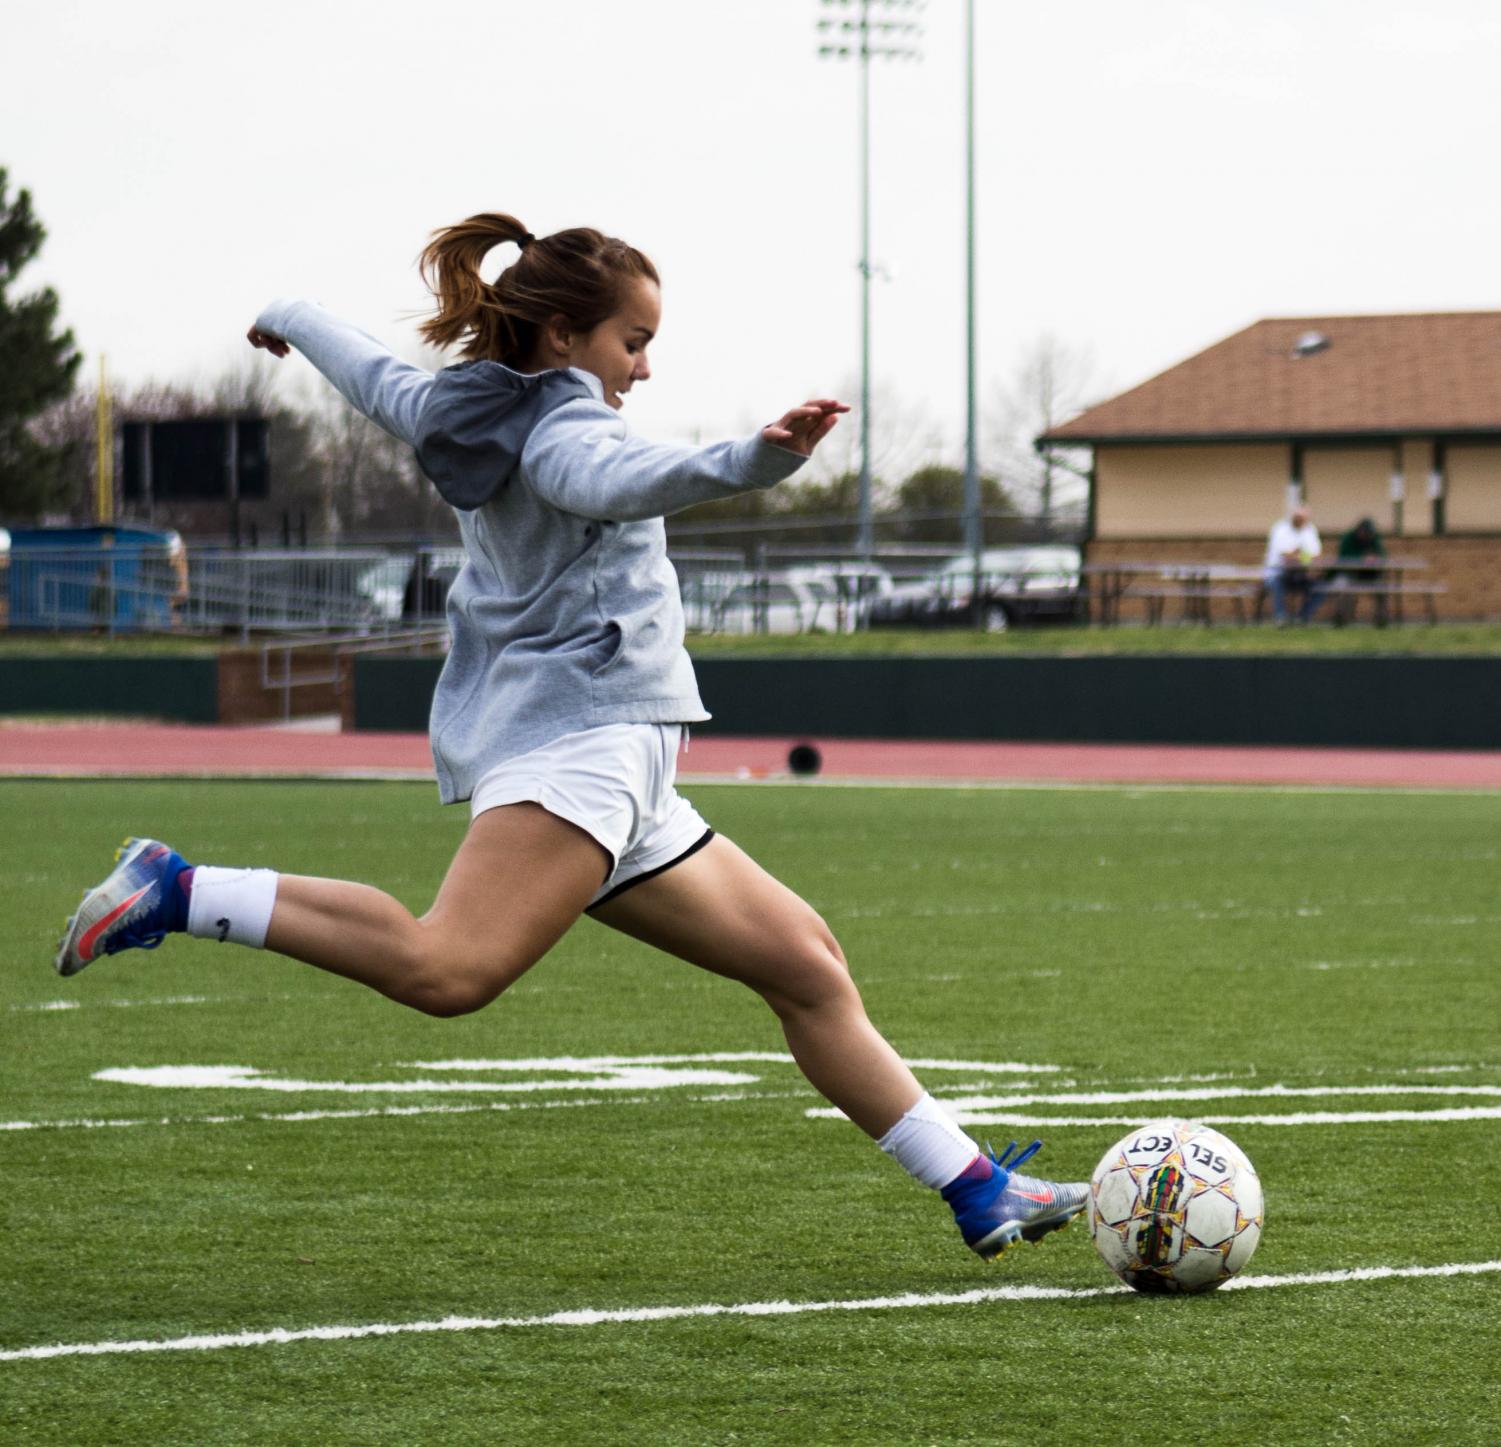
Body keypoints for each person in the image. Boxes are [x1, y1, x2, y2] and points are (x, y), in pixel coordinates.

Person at [52, 211, 1086, 1263]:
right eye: (630, 341)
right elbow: (622, 479)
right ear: (561, 338)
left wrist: (287, 315)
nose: (642, 365)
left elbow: (368, 370)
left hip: (617, 762)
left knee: (806, 965)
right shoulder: (561, 433)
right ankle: (178, 888)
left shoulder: (456, 406)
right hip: (582, 746)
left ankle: (976, 1187)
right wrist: (754, 458)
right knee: (446, 970)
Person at [1263, 502, 1323, 623]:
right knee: (1277, 583)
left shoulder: (1310, 530)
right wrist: (1304, 556)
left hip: (1301, 574)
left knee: (1321, 587)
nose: (1300, 521)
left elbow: (1316, 555)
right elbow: (1286, 556)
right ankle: (1281, 617)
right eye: (1298, 518)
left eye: (1303, 519)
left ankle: (1303, 616)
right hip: (1277, 573)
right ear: (1293, 516)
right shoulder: (1281, 529)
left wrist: (1301, 556)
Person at [1328, 516, 1388, 625]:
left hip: (1369, 575)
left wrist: (1375, 558)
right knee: (1342, 587)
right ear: (1360, 530)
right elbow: (1343, 558)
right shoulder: (1348, 537)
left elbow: (1383, 556)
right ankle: (1341, 620)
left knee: (1383, 587)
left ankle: (1381, 620)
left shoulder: (1374, 538)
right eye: (1366, 533)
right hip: (1348, 573)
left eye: (1370, 533)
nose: (1368, 535)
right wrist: (1362, 558)